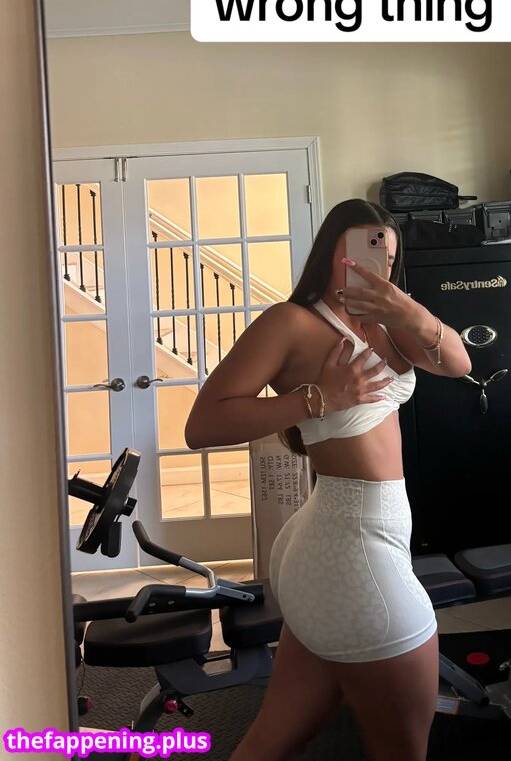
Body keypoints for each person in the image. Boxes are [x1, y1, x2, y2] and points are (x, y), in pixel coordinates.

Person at [184, 199, 472, 761]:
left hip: (337, 543)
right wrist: (317, 399)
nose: (377, 265)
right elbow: (203, 425)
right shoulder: (291, 323)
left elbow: (458, 364)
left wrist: (410, 312)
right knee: (402, 751)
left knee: (275, 738)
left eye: (388, 256)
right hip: (352, 554)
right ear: (330, 252)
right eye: (363, 249)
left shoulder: (391, 323)